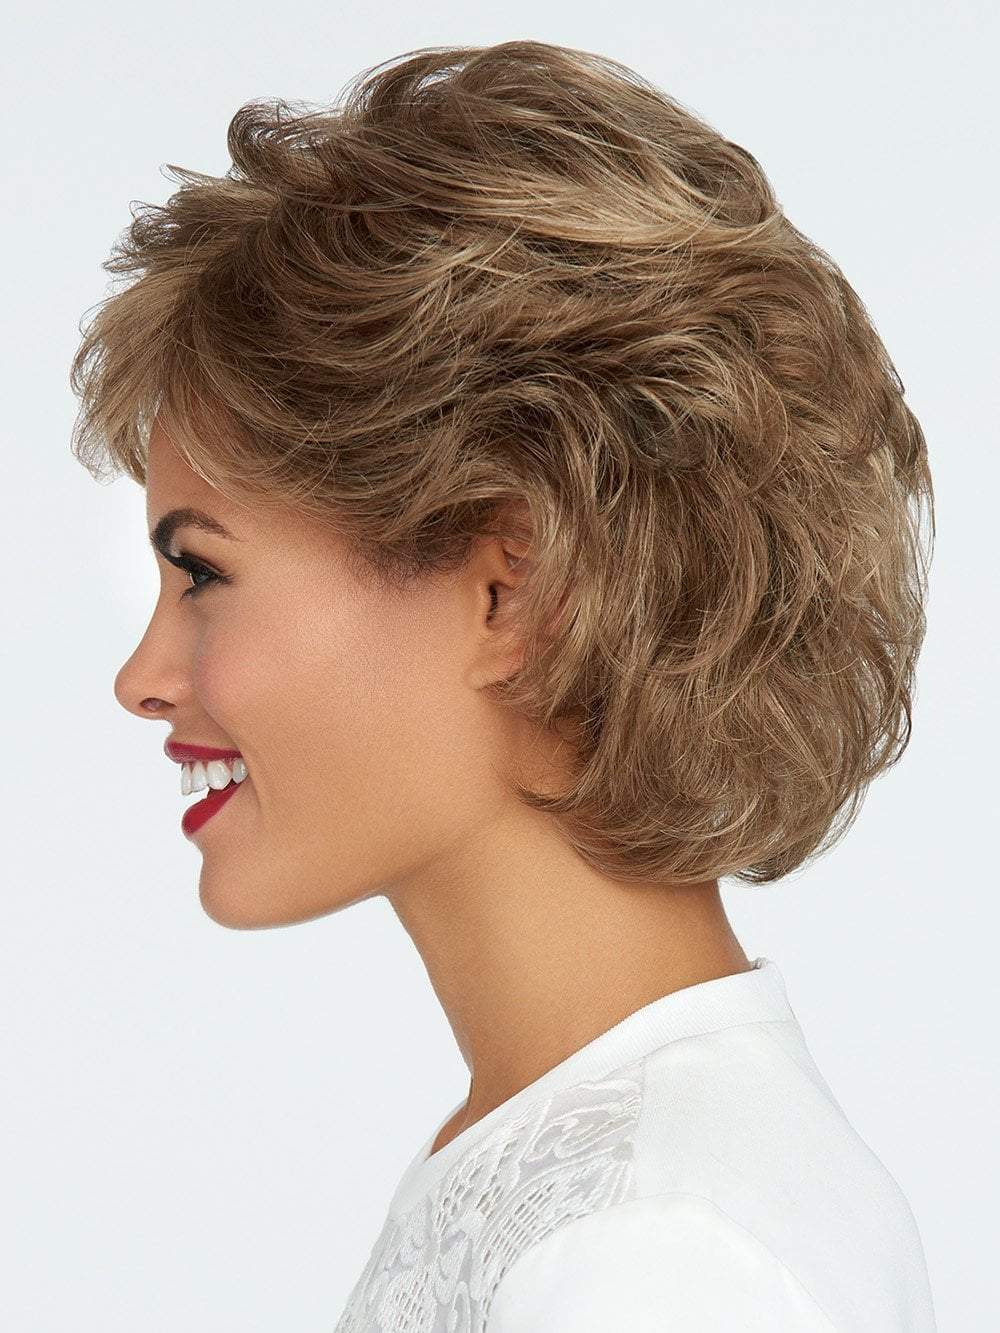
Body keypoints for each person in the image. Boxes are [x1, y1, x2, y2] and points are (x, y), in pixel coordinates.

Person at [71, 39, 937, 1331]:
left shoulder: (655, 1255)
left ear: (510, 590)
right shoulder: (590, 1171)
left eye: (203, 574)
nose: (141, 680)